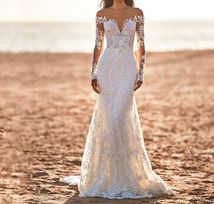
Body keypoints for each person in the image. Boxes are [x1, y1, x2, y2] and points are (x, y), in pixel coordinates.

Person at [60, 0, 174, 199]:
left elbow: (140, 44)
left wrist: (140, 73)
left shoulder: (137, 13)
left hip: (128, 68)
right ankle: (108, 175)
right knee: (110, 120)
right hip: (107, 68)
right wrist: (93, 73)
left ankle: (125, 175)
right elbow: (98, 44)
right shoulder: (101, 15)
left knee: (120, 117)